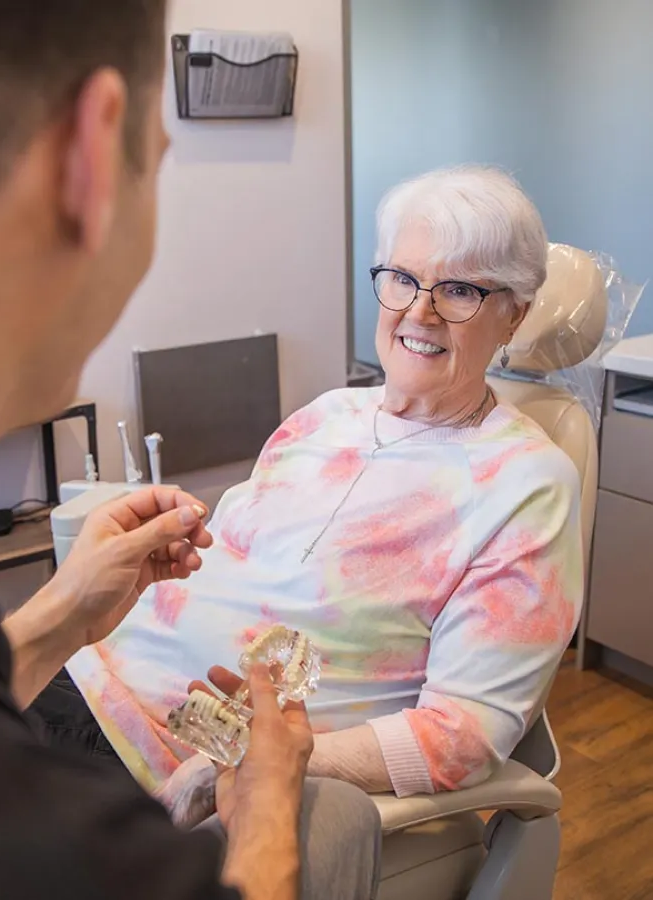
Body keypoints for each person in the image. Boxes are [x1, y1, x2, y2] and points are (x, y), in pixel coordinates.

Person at [0, 4, 381, 900]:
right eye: (160, 164)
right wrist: (272, 797)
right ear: (88, 156)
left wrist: (59, 617)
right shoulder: (38, 850)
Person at [44, 165, 584, 823]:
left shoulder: (528, 483)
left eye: (460, 290)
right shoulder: (327, 414)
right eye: (403, 279)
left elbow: (465, 734)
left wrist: (246, 763)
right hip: (78, 676)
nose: (420, 310)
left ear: (514, 314)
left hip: (161, 762)